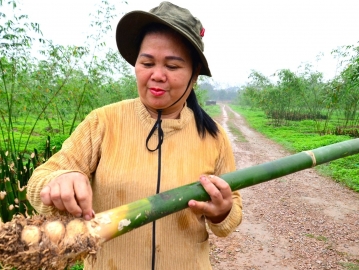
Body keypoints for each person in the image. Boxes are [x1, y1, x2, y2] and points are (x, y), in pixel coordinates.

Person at [26, 1, 242, 269]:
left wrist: (223, 212)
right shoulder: (103, 122)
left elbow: (232, 212)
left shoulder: (214, 137)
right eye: (147, 62)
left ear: (194, 74)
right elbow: (38, 183)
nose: (157, 75)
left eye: (173, 67)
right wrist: (61, 179)